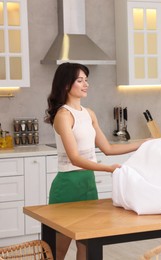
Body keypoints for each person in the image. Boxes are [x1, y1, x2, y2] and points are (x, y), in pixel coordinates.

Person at [44, 62, 148, 260]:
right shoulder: (63, 115)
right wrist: (108, 170)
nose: (86, 84)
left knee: (87, 245)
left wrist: (143, 143)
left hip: (88, 184)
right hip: (67, 186)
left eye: (86, 80)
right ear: (67, 85)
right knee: (58, 249)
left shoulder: (89, 113)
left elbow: (108, 149)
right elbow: (74, 158)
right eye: (80, 80)